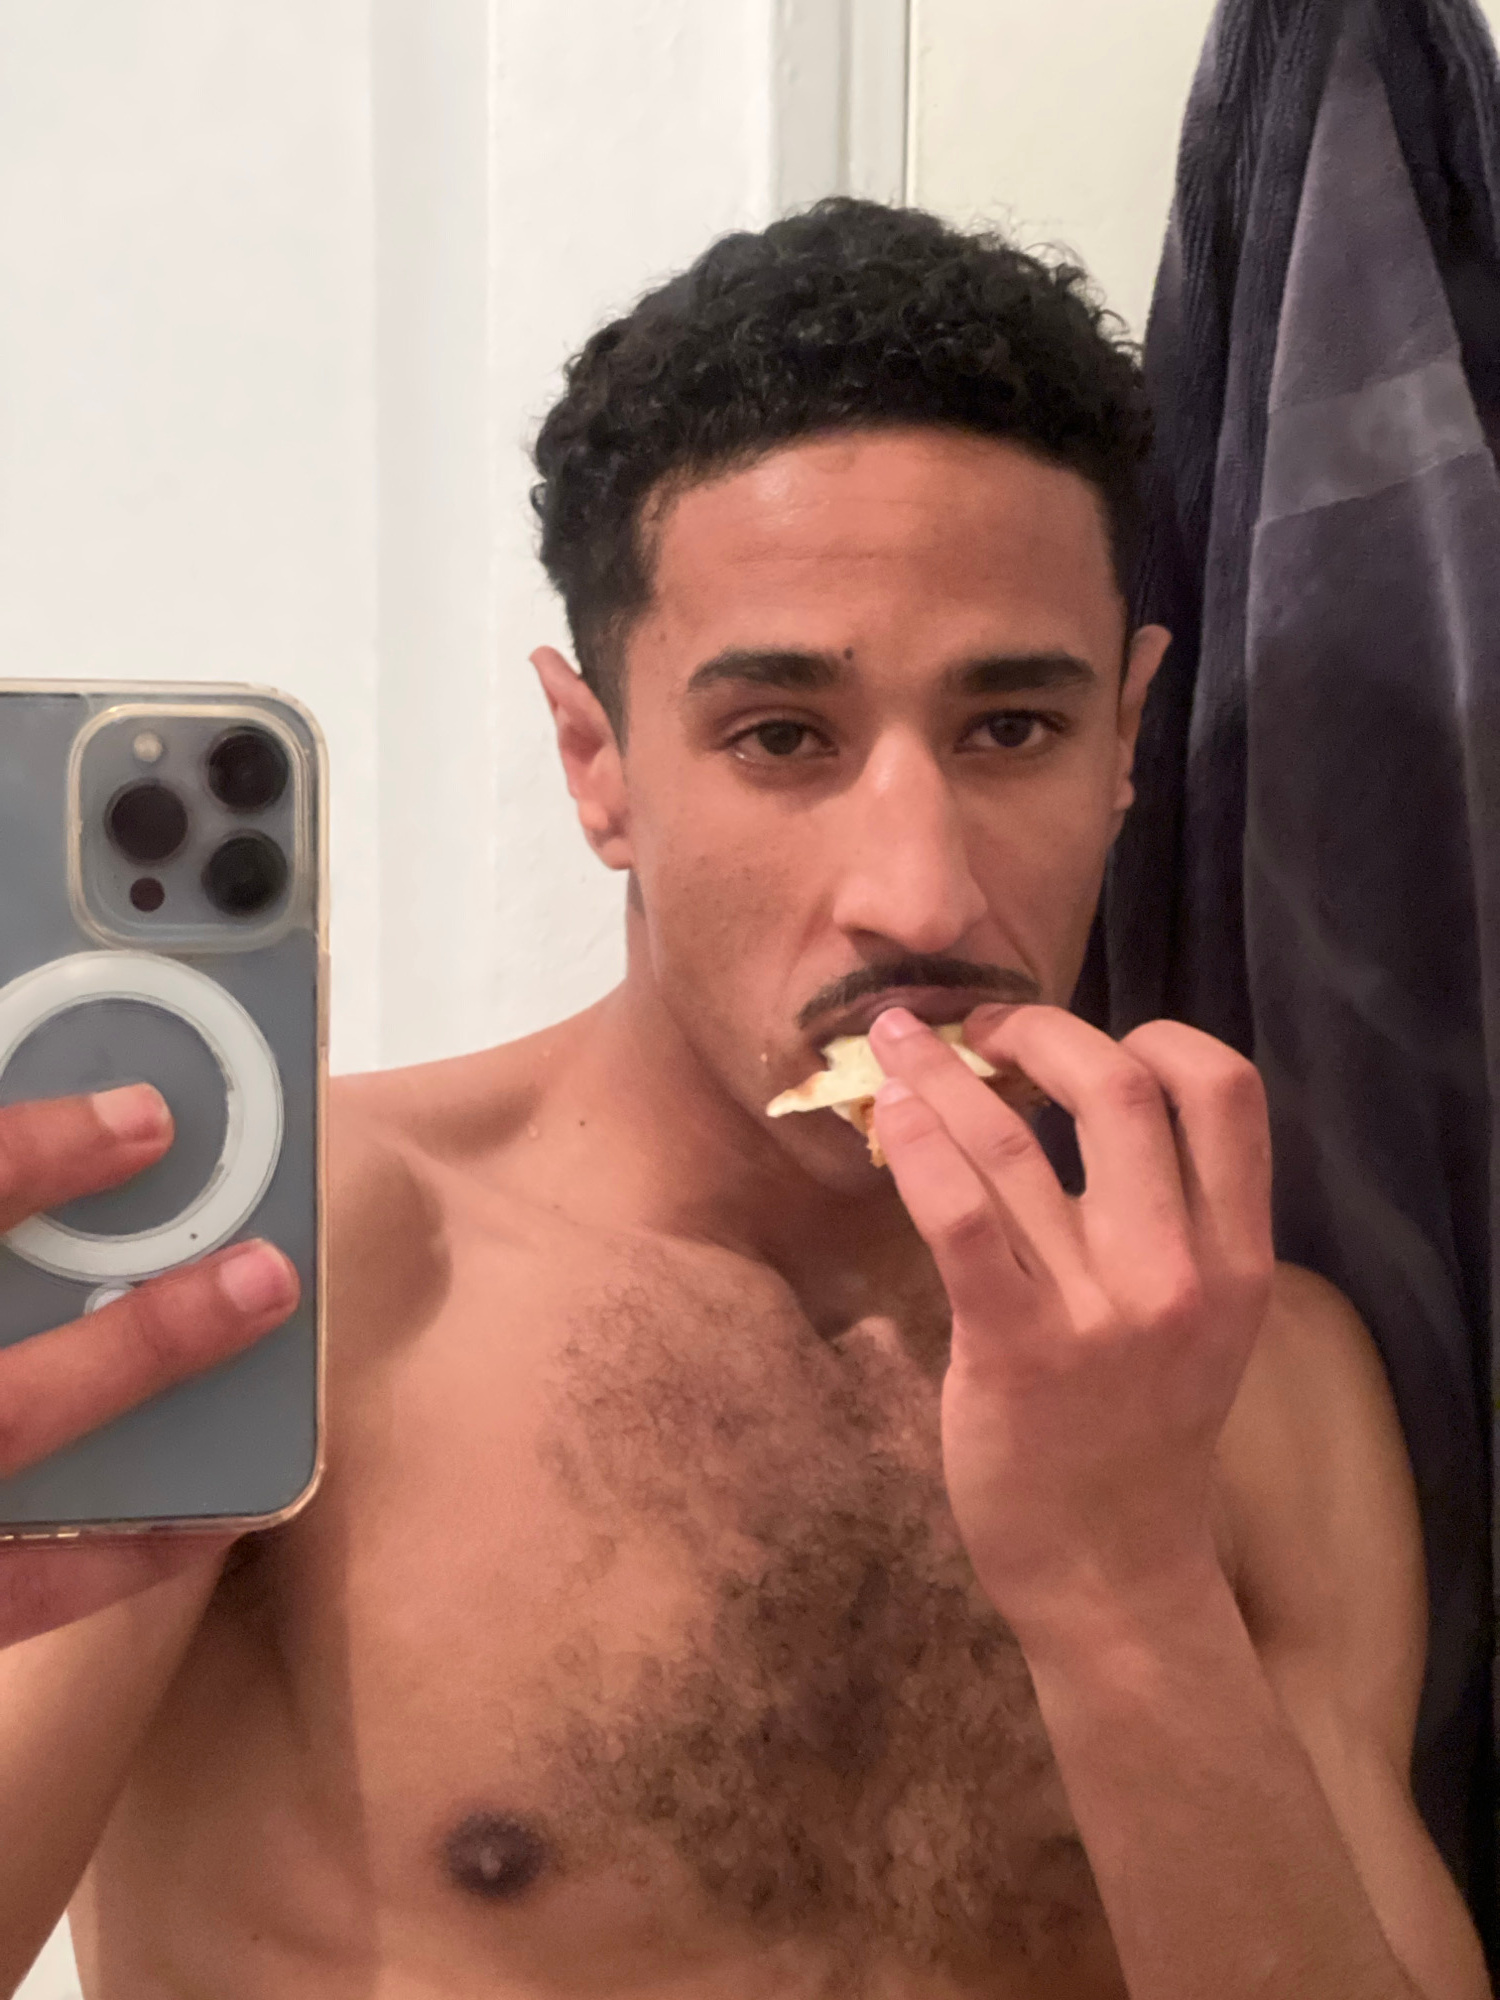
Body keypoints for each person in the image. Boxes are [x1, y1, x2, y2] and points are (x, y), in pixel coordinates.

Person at [0, 199, 1491, 2000]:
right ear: (598, 763)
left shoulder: (1252, 1373)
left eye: (1012, 728)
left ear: (1125, 738)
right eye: (782, 736)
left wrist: (1128, 1596)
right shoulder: (280, 1275)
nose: (921, 899)